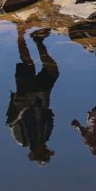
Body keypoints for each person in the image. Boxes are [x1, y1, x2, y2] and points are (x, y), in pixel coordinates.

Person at [5, 26, 59, 164]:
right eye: (46, 151)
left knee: (28, 64)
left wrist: (23, 108)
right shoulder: (45, 136)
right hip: (40, 97)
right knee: (53, 71)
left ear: (35, 152)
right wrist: (45, 98)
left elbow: (11, 122)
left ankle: (20, 34)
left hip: (25, 99)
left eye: (43, 152)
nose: (45, 149)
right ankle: (38, 40)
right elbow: (48, 114)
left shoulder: (22, 140)